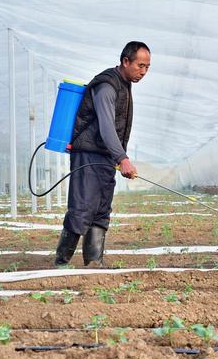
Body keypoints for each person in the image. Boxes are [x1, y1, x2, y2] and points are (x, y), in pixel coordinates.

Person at [55, 41, 151, 267]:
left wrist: (116, 156)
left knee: (101, 209)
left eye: (147, 67)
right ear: (125, 61)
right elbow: (107, 127)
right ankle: (61, 261)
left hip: (104, 156)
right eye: (140, 65)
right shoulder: (107, 86)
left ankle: (94, 261)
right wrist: (123, 158)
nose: (144, 71)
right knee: (82, 206)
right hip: (88, 155)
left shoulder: (124, 84)